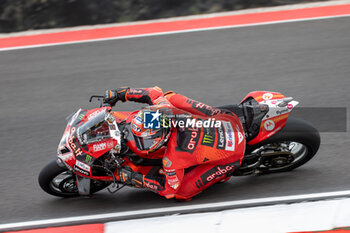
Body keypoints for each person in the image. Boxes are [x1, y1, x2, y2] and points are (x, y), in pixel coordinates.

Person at [104, 86, 245, 200]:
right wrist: (122, 93)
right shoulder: (166, 110)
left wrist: (135, 177)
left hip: (233, 155)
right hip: (228, 118)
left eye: (145, 140)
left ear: (161, 138)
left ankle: (223, 174)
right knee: (170, 97)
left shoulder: (172, 159)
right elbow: (153, 93)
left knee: (181, 193)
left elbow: (168, 189)